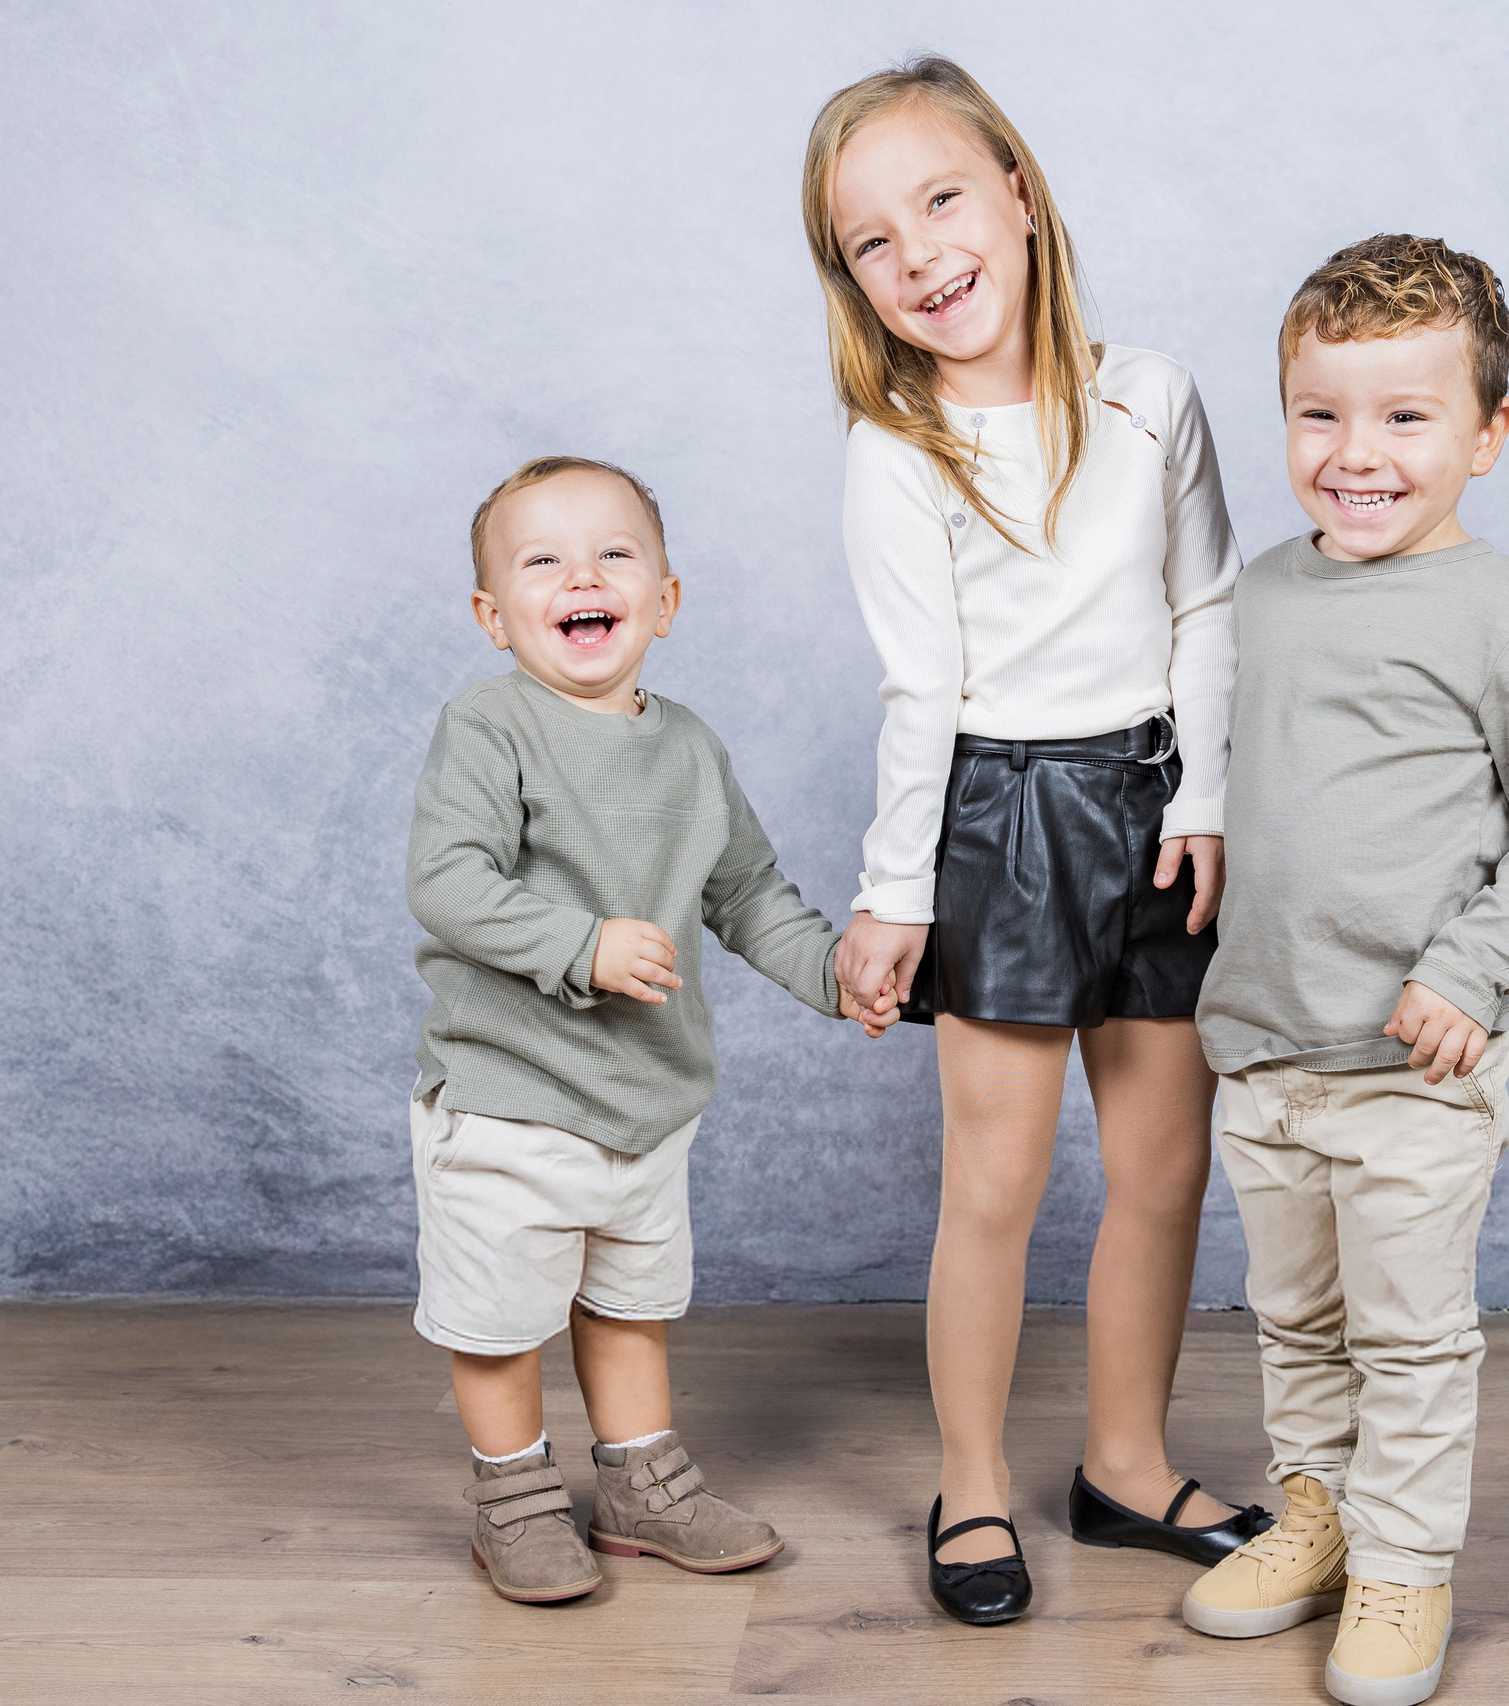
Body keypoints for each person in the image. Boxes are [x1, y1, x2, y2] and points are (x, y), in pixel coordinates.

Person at [800, 55, 1270, 1625]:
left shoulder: (1152, 394)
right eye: (872, 239)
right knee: (994, 1184)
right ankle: (976, 1483)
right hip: (998, 818)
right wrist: (889, 898)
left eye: (941, 197)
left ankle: (1127, 1463)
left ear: (1017, 187)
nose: (920, 251)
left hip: (1153, 810)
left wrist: (1202, 790)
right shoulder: (898, 452)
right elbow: (920, 687)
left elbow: (1205, 597)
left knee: (1162, 1163)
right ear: (852, 281)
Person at [1181, 236, 1509, 1706]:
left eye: (1404, 417)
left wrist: (1475, 965)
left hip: (1414, 1068)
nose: (1354, 454)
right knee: (1297, 1321)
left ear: (1488, 434)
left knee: (1410, 1338)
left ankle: (1404, 1563)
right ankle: (1314, 1514)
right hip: (1262, 1046)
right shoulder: (1256, 594)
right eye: (1321, 413)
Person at [406, 456, 859, 1603]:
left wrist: (833, 972)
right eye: (541, 560)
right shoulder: (490, 724)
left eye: (614, 553)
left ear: (663, 597)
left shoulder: (691, 746)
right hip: (513, 1096)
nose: (581, 576)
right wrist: (582, 941)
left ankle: (642, 1489)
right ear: (492, 614)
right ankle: (512, 1496)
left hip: (645, 1102)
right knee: (506, 1322)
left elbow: (749, 892)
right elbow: (447, 881)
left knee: (629, 1304)